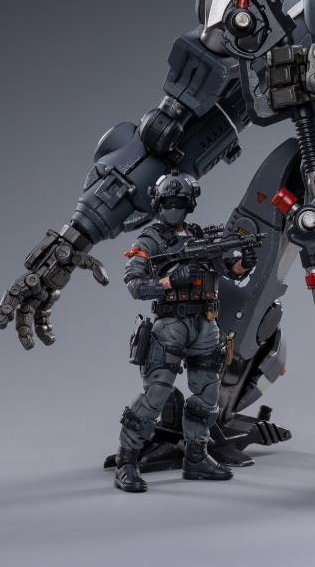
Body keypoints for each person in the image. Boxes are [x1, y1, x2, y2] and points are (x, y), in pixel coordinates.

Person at [114, 171, 257, 493]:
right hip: (170, 325)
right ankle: (127, 462)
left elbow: (231, 271)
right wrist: (171, 280)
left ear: (190, 203)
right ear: (158, 203)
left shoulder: (199, 237)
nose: (174, 207)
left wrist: (245, 263)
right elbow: (136, 287)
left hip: (205, 323)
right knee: (156, 395)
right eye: (168, 202)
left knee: (207, 396)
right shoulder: (149, 240)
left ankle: (196, 457)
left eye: (179, 202)